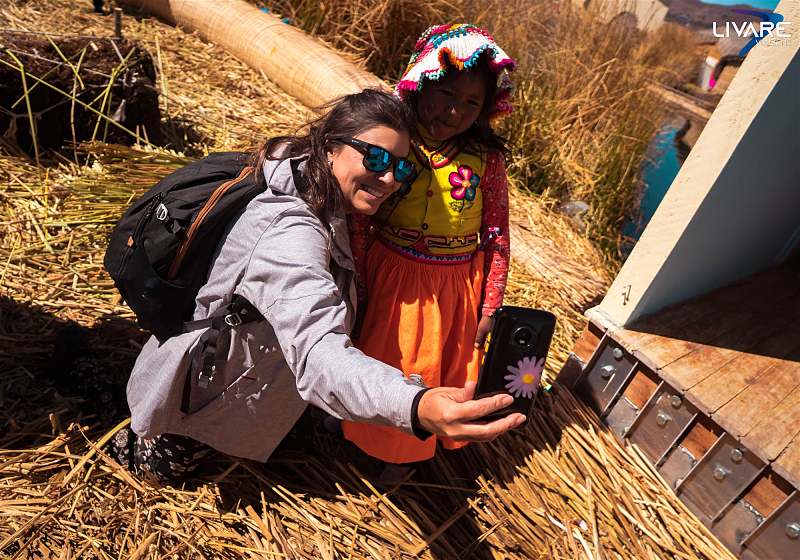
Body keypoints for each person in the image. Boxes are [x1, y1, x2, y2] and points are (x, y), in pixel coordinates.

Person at [111, 89, 524, 485]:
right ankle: (87, 370)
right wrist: (416, 406)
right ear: (330, 146)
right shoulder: (290, 229)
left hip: (248, 382)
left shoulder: (318, 184)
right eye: (376, 157)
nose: (389, 177)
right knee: (159, 467)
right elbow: (318, 353)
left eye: (401, 167)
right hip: (198, 395)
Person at [342, 25, 516, 466]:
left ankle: (403, 457)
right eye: (446, 94)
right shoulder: (393, 144)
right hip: (390, 279)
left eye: (471, 102)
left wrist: (490, 306)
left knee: (431, 369)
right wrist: (360, 282)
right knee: (381, 361)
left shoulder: (486, 160)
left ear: (485, 109)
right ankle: (360, 436)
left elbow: (496, 237)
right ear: (421, 83)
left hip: (453, 291)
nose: (455, 111)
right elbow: (361, 221)